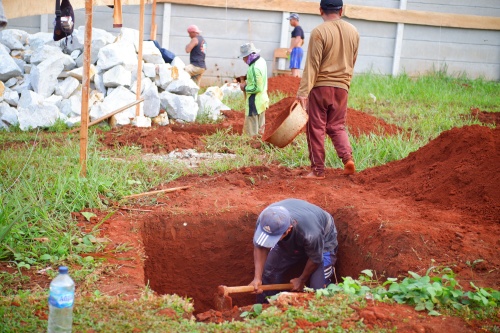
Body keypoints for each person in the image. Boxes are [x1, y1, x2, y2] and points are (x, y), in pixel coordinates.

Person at [296, 0, 359, 179]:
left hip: (321, 88)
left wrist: (303, 92)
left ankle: (318, 171)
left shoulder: (319, 32)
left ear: (321, 10)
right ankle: (348, 159)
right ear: (341, 10)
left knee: (316, 127)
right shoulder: (354, 32)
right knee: (337, 126)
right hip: (342, 88)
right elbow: (352, 61)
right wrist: (345, 84)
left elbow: (312, 65)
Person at [249, 198, 338, 303]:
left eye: (273, 237)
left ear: (288, 229)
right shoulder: (265, 220)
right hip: (297, 236)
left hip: (323, 240)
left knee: (317, 289)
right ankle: (264, 308)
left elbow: (316, 258)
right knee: (268, 274)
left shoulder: (311, 233)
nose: (269, 240)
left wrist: (301, 280)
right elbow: (260, 246)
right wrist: (257, 278)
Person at [238, 42, 269, 137]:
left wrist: (245, 87)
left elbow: (257, 87)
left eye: (244, 57)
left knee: (251, 131)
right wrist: (248, 82)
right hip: (262, 100)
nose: (243, 60)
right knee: (260, 128)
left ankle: (250, 148)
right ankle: (260, 146)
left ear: (248, 56)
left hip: (254, 102)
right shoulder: (261, 61)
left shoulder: (254, 68)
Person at [286, 13, 305, 77]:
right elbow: (302, 41)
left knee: (294, 68)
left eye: (290, 20)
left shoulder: (298, 28)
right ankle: (297, 83)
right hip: (297, 50)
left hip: (296, 50)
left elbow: (298, 38)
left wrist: (291, 48)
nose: (290, 22)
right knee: (295, 68)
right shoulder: (298, 29)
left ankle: (294, 83)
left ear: (294, 19)